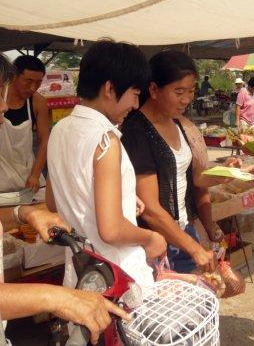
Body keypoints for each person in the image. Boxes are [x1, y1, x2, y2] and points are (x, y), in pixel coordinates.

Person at [0, 54, 130, 346]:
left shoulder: (55, 123)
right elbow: (109, 228)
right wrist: (58, 298)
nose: (4, 107)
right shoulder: (106, 139)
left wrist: (22, 213)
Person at [47, 40, 167, 291]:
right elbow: (111, 230)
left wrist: (122, 197)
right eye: (135, 94)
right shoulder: (106, 140)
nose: (136, 105)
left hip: (80, 274)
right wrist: (151, 237)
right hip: (118, 277)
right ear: (110, 88)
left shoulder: (60, 130)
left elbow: (53, 201)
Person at [122, 50, 237, 273]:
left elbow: (194, 177)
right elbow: (150, 209)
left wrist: (226, 173)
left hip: (184, 231)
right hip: (156, 241)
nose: (187, 99)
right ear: (153, 89)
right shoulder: (137, 132)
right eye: (179, 91)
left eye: (191, 91)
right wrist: (194, 248)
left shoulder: (176, 122)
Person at [1, 55, 49, 195]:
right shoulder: (1, 95)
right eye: (28, 81)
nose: (33, 88)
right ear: (14, 76)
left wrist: (35, 175)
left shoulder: (38, 102)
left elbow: (44, 140)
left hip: (28, 176)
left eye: (38, 83)